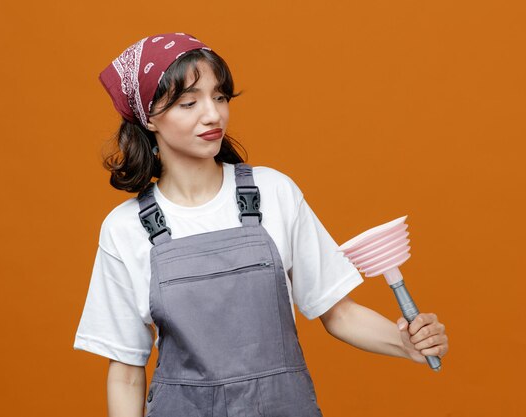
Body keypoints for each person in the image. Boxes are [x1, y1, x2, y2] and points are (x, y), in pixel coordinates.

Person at [73, 32, 449, 417]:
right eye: (189, 102)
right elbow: (125, 371)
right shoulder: (125, 229)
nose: (212, 114)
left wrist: (406, 343)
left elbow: (339, 312)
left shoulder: (274, 192)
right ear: (148, 119)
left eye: (219, 97)